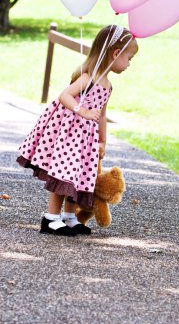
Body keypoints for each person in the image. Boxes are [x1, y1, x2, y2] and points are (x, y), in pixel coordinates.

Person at [17, 25, 138, 236]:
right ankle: (51, 218)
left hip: (86, 141)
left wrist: (103, 141)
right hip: (69, 136)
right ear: (115, 53)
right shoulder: (88, 78)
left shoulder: (107, 86)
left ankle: (69, 217)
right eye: (129, 58)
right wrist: (81, 110)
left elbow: (101, 116)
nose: (129, 64)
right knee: (63, 175)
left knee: (79, 176)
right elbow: (64, 96)